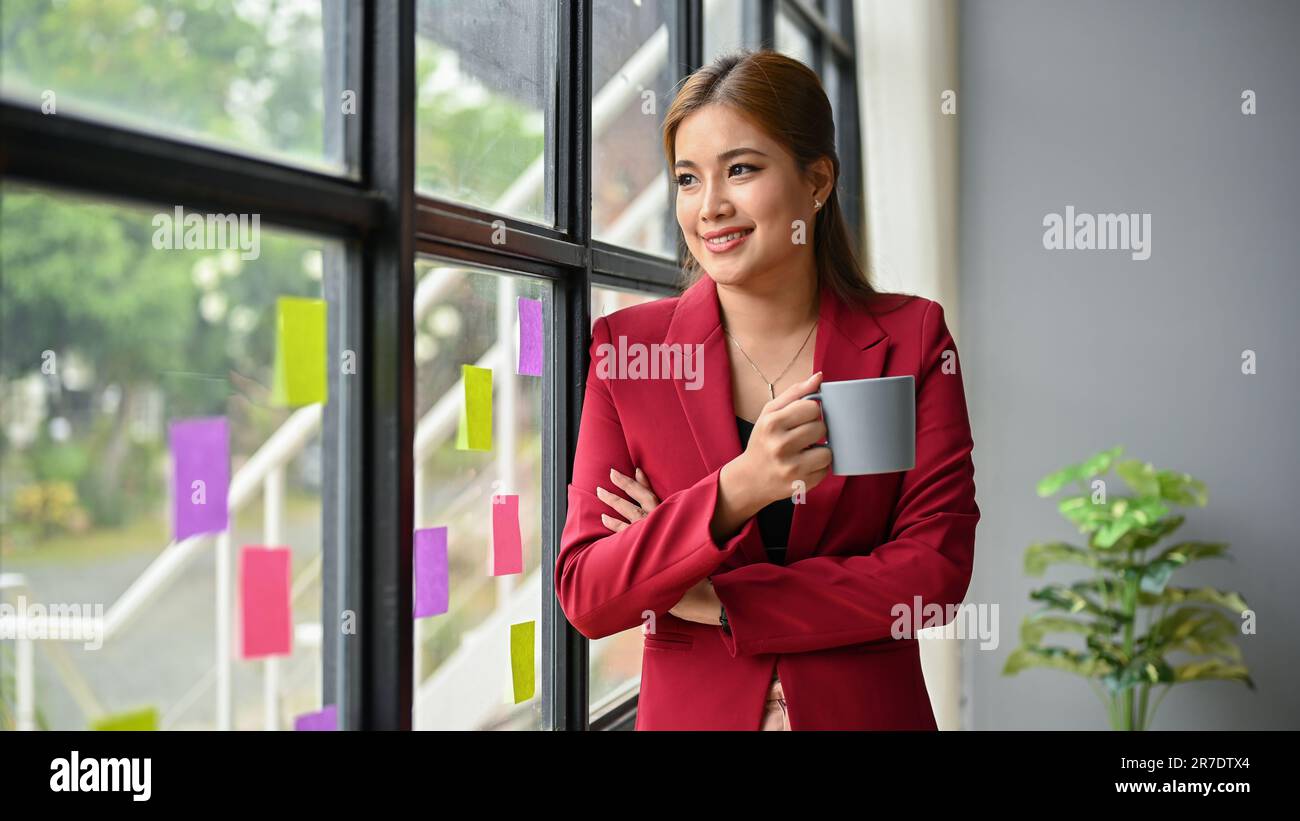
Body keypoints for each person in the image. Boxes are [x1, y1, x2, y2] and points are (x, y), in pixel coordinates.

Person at [555, 49, 980, 730]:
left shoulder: (911, 338)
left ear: (816, 181)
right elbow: (590, 592)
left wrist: (721, 600)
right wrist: (738, 489)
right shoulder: (628, 353)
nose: (710, 206)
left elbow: (931, 577)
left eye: (741, 170)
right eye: (688, 179)